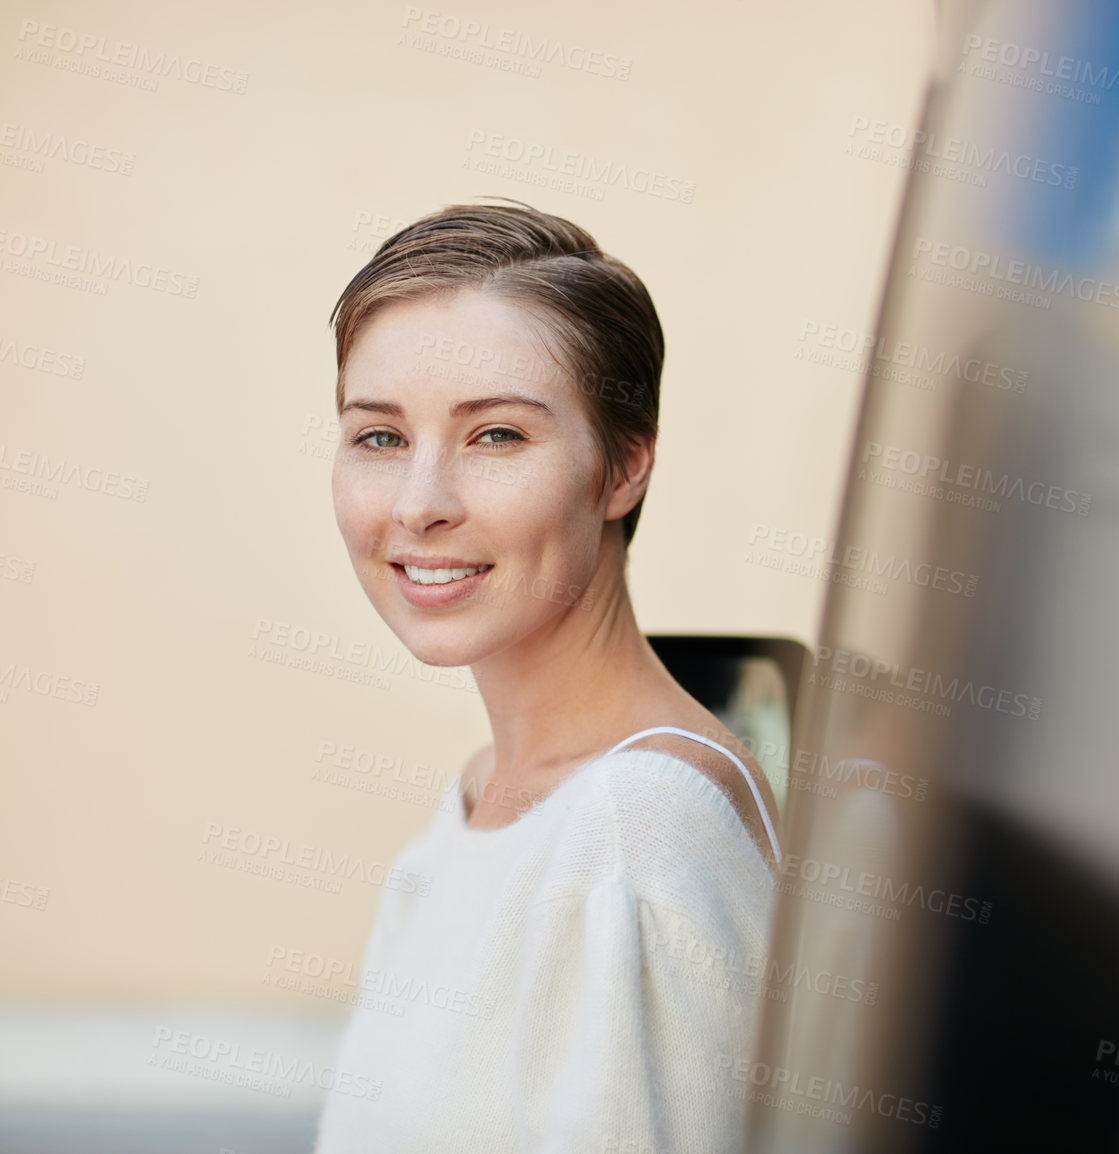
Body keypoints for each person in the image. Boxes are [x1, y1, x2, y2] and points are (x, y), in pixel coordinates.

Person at [313, 200, 781, 1153]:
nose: (420, 504)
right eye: (380, 437)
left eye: (497, 437)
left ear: (624, 467)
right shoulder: (491, 791)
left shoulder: (629, 831)